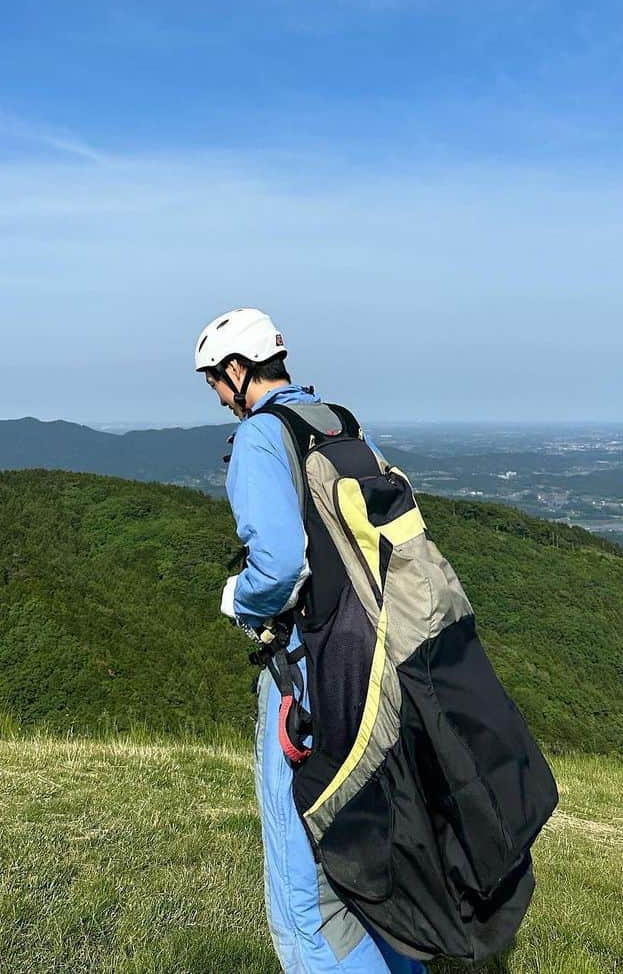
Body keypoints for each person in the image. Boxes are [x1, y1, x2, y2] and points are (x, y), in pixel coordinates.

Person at [195, 307, 426, 974]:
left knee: (307, 893)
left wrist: (237, 599)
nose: (215, 394)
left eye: (214, 380)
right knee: (376, 854)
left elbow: (280, 563)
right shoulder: (342, 426)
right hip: (383, 666)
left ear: (237, 371)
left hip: (312, 681)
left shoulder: (262, 440)